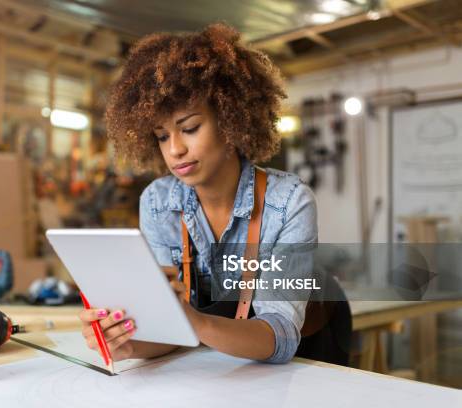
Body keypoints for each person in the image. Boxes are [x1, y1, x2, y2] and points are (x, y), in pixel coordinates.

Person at [79, 23, 317, 364]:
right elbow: (171, 333)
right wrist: (128, 344)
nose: (174, 149)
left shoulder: (288, 203)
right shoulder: (158, 203)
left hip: (292, 372)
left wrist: (193, 321)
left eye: (189, 128)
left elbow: (280, 336)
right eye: (161, 135)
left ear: (231, 122)